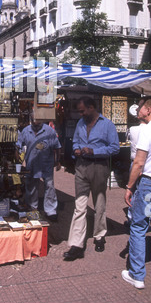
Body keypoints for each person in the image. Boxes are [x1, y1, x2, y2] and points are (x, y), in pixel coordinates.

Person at [63, 96, 120, 261]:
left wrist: (94, 152)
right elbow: (75, 142)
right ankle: (76, 245)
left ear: (92, 107)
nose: (80, 114)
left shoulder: (107, 124)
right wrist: (77, 149)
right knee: (79, 206)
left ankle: (99, 235)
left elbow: (114, 148)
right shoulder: (81, 123)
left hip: (99, 167)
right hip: (81, 167)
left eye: (82, 110)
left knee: (99, 203)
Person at [122, 97, 151, 289]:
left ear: (148, 110)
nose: (137, 110)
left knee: (139, 226)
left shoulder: (147, 130)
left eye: (140, 107)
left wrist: (129, 186)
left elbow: (139, 162)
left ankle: (137, 275)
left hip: (148, 182)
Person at [16, 112, 61, 221]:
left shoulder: (49, 131)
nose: (36, 121)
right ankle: (32, 208)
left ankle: (50, 211)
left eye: (38, 119)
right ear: (31, 118)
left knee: (49, 186)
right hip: (31, 164)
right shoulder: (26, 131)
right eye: (34, 118)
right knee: (31, 187)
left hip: (46, 164)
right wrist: (17, 158)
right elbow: (18, 145)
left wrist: (58, 161)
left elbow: (57, 146)